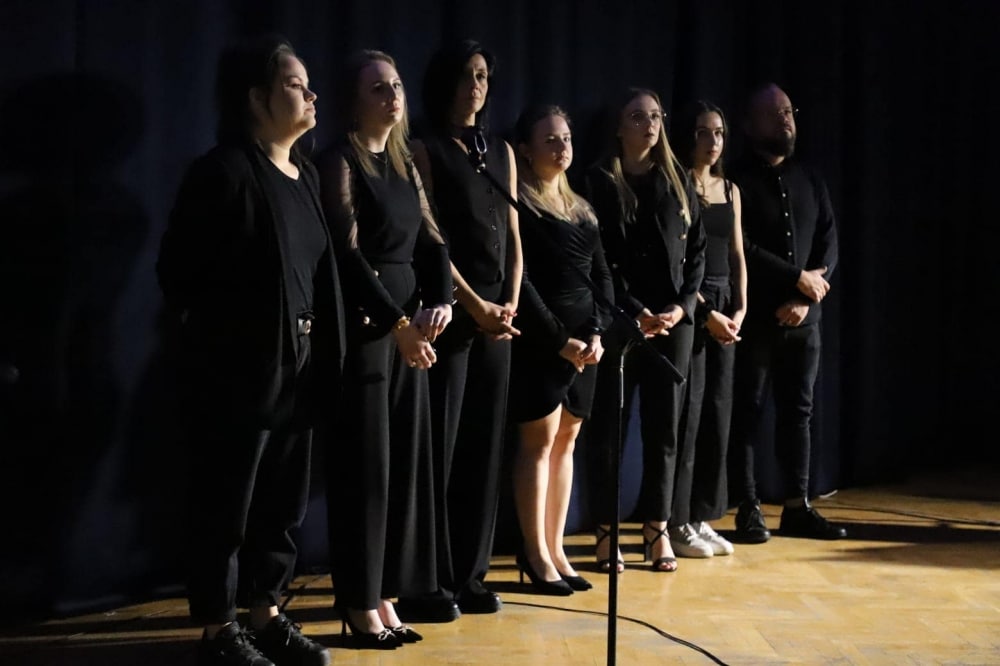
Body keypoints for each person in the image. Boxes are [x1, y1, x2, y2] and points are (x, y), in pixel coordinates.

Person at [156, 35, 340, 666]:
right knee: (226, 502)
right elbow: (178, 274)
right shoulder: (225, 172)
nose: (312, 94)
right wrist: (230, 340)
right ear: (257, 98)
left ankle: (266, 612)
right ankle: (217, 626)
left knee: (280, 504)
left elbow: (318, 273)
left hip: (300, 368)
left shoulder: (307, 176)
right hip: (239, 373)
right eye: (296, 84)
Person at [316, 49, 453, 648]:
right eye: (378, 88)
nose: (393, 96)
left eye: (396, 85)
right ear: (355, 99)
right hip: (370, 332)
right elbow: (346, 254)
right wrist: (398, 321)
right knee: (366, 469)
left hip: (411, 334)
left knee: (404, 467)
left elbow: (432, 240)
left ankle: (389, 593)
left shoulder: (404, 160)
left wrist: (442, 298)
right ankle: (359, 602)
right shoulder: (340, 160)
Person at [399, 38, 523, 620]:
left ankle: (471, 572)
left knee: (485, 447)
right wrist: (474, 305)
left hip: (500, 319)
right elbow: (431, 240)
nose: (477, 85)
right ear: (445, 82)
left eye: (484, 74)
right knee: (441, 451)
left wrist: (511, 303)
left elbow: (515, 236)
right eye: (466, 75)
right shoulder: (425, 148)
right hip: (453, 315)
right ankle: (431, 580)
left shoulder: (499, 150)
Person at [584, 88, 706, 573]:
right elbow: (600, 259)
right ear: (619, 127)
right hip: (621, 320)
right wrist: (633, 311)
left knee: (664, 430)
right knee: (609, 431)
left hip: (672, 321)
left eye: (656, 116)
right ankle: (606, 533)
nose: (649, 124)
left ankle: (657, 529)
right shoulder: (598, 180)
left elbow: (697, 249)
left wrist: (682, 305)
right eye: (638, 116)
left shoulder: (678, 179)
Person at [728, 82, 846, 543]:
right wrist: (795, 278)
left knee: (799, 412)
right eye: (775, 113)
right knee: (748, 412)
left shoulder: (810, 178)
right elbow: (743, 247)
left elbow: (829, 244)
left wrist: (805, 296)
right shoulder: (736, 180)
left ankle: (798, 506)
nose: (786, 120)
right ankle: (747, 508)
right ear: (749, 124)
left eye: (789, 111)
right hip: (756, 317)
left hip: (804, 320)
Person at [509, 104, 613, 595]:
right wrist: (558, 340)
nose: (562, 146)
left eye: (566, 137)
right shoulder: (521, 205)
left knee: (568, 438)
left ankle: (557, 547)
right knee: (540, 440)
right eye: (549, 139)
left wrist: (595, 332)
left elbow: (601, 277)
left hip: (584, 341)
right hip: (542, 339)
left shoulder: (582, 205)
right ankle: (534, 555)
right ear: (525, 150)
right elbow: (522, 280)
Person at [667, 100, 747, 558]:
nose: (712, 142)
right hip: (693, 303)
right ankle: (676, 520)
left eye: (718, 133)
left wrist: (740, 309)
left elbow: (737, 255)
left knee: (718, 413)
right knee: (689, 414)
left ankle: (701, 515)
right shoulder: (677, 184)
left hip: (724, 305)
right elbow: (679, 264)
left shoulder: (731, 189)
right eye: (703, 132)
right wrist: (706, 311)